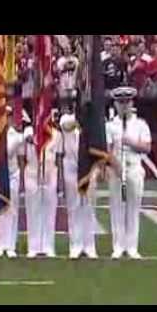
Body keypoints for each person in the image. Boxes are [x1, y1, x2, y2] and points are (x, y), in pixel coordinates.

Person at [106, 87, 151, 260]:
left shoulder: (140, 124)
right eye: (120, 102)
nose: (124, 106)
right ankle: (118, 246)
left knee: (133, 208)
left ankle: (132, 247)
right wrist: (115, 166)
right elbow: (108, 150)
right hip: (117, 168)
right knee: (116, 207)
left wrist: (131, 142)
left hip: (134, 167)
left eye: (127, 102)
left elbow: (146, 147)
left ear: (131, 103)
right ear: (116, 104)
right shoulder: (110, 125)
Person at [59, 107, 99, 259]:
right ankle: (75, 245)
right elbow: (66, 125)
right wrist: (80, 118)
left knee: (89, 207)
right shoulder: (66, 119)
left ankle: (89, 245)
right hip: (71, 166)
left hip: (88, 166)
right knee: (74, 207)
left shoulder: (92, 122)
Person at [22, 113, 61, 258]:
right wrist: (34, 137)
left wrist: (60, 182)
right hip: (32, 173)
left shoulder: (56, 135)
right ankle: (33, 246)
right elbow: (26, 142)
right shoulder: (29, 131)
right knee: (33, 211)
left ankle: (48, 245)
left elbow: (58, 157)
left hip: (50, 174)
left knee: (50, 211)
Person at [0, 106, 26, 259]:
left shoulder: (16, 136)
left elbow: (21, 159)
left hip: (13, 174)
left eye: (8, 116)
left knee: (12, 210)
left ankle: (10, 245)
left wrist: (22, 181)